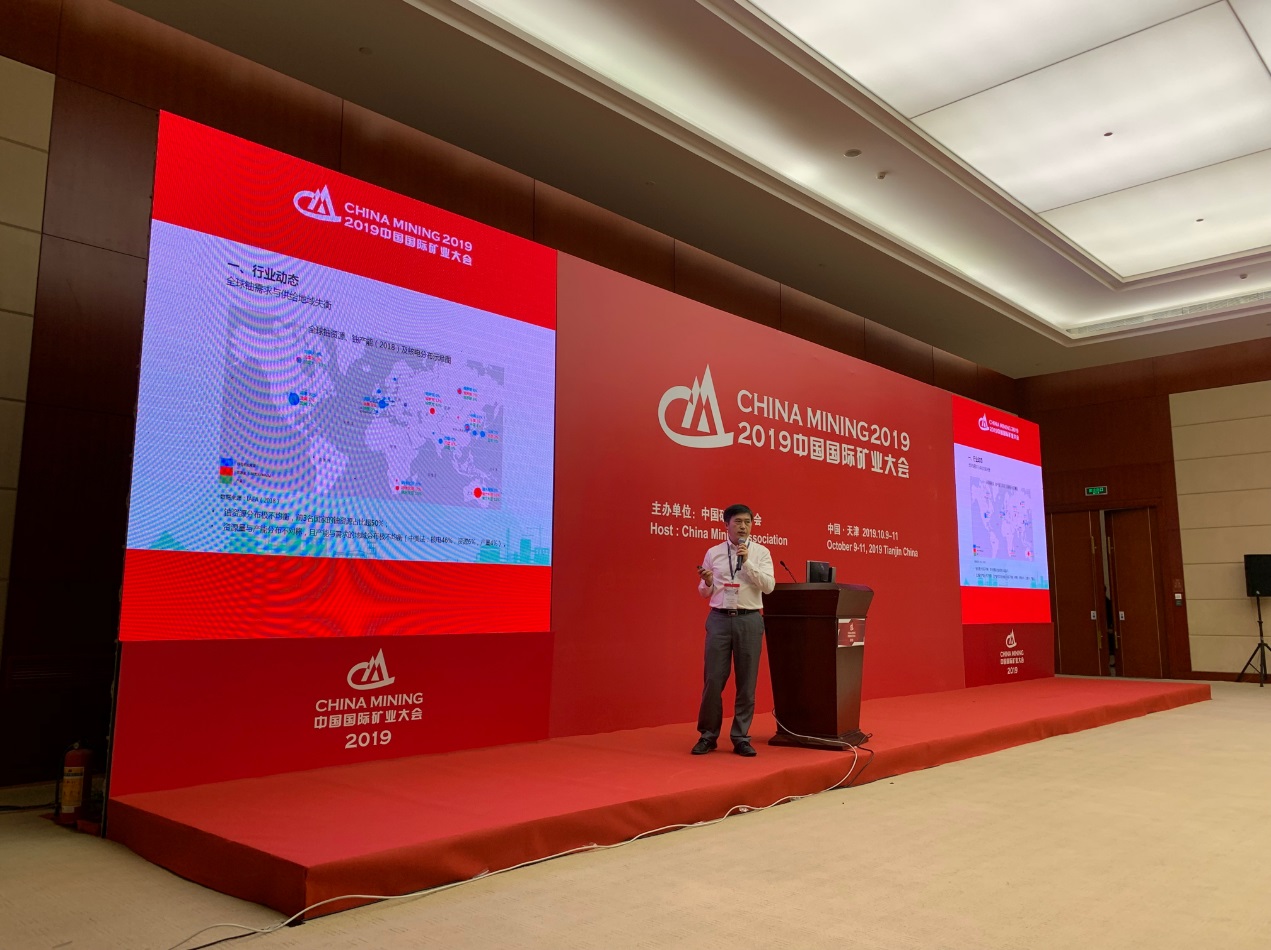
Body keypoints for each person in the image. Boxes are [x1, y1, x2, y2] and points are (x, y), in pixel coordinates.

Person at [693, 503, 775, 756]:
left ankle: (741, 737)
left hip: (749, 619)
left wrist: (747, 563)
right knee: (713, 679)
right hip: (719, 619)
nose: (743, 527)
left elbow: (769, 586)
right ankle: (708, 735)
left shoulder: (761, 552)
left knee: (746, 682)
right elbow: (705, 592)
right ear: (726, 525)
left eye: (747, 522)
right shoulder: (713, 552)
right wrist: (707, 583)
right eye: (738, 522)